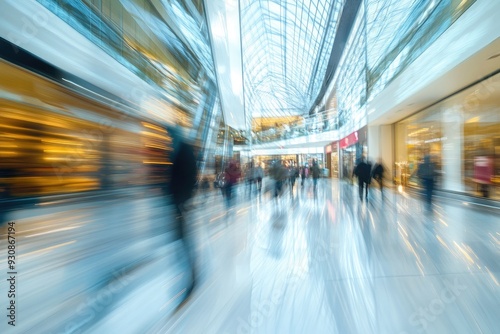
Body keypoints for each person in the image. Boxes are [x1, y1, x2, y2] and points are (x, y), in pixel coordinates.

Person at [167, 125, 198, 299]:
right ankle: (189, 272)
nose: (168, 138)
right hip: (177, 203)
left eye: (169, 135)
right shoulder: (179, 148)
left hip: (181, 204)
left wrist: (183, 200)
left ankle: (192, 275)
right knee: (181, 239)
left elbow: (189, 177)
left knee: (184, 239)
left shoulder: (183, 150)